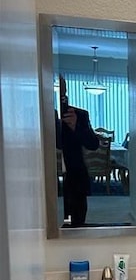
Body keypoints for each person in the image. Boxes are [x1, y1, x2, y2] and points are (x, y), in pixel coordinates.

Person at [56, 75, 100, 226]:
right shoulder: (35, 115)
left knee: (75, 223)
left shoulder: (79, 115)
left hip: (75, 178)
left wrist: (76, 127)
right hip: (44, 181)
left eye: (60, 86)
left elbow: (94, 144)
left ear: (65, 89)